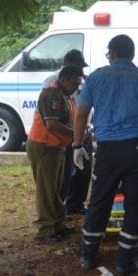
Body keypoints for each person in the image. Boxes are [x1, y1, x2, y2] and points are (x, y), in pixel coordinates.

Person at [71, 34, 138, 276]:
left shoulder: (96, 78)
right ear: (132, 55)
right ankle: (125, 261)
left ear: (112, 53)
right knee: (135, 205)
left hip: (107, 150)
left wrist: (77, 146)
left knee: (100, 201)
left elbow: (81, 115)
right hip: (137, 150)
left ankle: (88, 257)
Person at [27, 65, 84, 243]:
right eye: (75, 83)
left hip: (57, 146)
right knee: (46, 189)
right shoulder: (51, 94)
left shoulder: (65, 96)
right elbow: (52, 124)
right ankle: (45, 229)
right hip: (44, 145)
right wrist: (77, 134)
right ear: (64, 79)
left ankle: (57, 223)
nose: (76, 87)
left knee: (57, 188)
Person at [42, 49, 92, 216]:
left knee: (83, 170)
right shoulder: (53, 85)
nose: (80, 71)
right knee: (64, 177)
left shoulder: (79, 81)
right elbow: (52, 121)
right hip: (63, 136)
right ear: (66, 65)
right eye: (77, 66)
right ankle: (59, 213)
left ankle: (75, 204)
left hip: (80, 130)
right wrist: (75, 134)